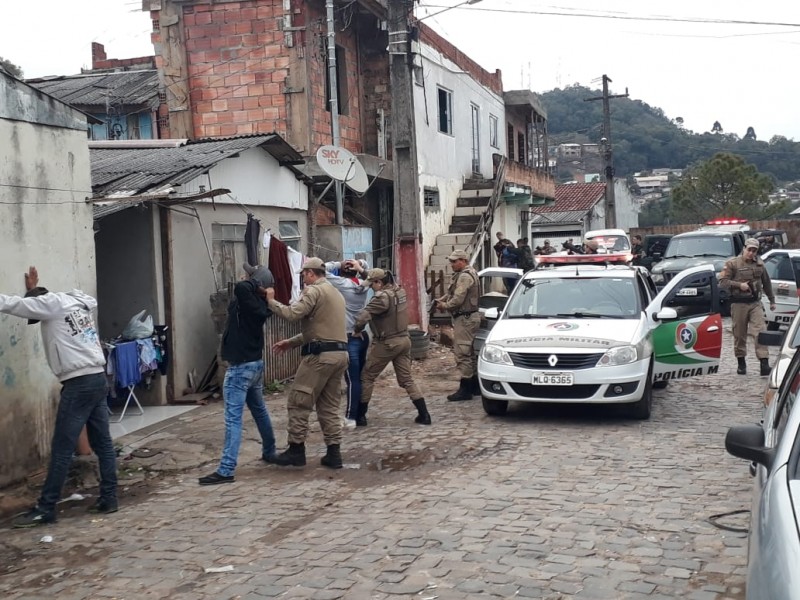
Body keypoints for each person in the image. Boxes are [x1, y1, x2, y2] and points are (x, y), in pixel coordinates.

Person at [0, 267, 117, 527]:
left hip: (79, 383)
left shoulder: (51, 306)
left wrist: (29, 297)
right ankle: (109, 498)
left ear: (41, 304)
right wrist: (33, 288)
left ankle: (46, 507)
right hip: (98, 377)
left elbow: (13, 304)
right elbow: (34, 302)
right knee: (104, 444)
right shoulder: (76, 305)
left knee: (62, 448)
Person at [199, 263, 278, 485]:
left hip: (240, 368)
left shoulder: (247, 295)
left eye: (249, 274)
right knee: (260, 411)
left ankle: (226, 469)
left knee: (233, 419)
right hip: (254, 365)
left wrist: (260, 284)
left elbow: (242, 287)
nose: (244, 276)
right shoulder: (260, 305)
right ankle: (270, 451)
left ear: (256, 283)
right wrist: (267, 293)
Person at [267, 257, 349, 469]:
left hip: (319, 357)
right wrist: (291, 343)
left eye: (304, 274)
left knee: (298, 400)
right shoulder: (335, 293)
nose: (303, 278)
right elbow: (320, 329)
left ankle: (296, 450)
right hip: (339, 355)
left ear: (311, 273)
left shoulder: (313, 291)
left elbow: (293, 314)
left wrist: (271, 301)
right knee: (329, 407)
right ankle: (334, 453)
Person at [354, 269, 431, 426]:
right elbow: (376, 278)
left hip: (388, 343)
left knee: (367, 376)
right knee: (406, 379)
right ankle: (424, 414)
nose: (370, 288)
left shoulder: (381, 298)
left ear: (379, 283)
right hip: (404, 340)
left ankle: (360, 416)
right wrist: (363, 271)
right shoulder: (399, 291)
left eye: (372, 285)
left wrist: (357, 330)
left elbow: (363, 317)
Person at [719, 238, 776, 376]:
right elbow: (722, 282)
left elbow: (766, 283)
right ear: (744, 248)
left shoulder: (759, 265)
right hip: (739, 303)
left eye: (754, 250)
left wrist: (772, 300)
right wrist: (739, 285)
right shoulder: (732, 264)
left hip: (755, 303)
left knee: (760, 331)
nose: (751, 253)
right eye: (749, 249)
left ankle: (764, 363)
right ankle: (741, 363)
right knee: (739, 334)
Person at [324, 259, 370, 427]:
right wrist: (359, 265)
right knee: (361, 378)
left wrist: (337, 263)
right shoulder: (364, 284)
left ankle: (351, 416)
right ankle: (361, 415)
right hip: (363, 336)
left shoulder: (342, 284)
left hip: (349, 337)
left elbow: (322, 269)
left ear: (343, 272)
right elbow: (370, 273)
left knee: (352, 380)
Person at [435, 250, 481, 401]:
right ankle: (475, 386)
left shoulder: (465, 276)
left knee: (462, 354)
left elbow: (457, 300)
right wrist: (442, 299)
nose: (452, 264)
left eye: (455, 261)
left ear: (463, 260)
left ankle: (466, 388)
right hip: (468, 318)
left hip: (465, 318)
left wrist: (444, 306)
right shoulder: (467, 273)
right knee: (469, 353)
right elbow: (454, 293)